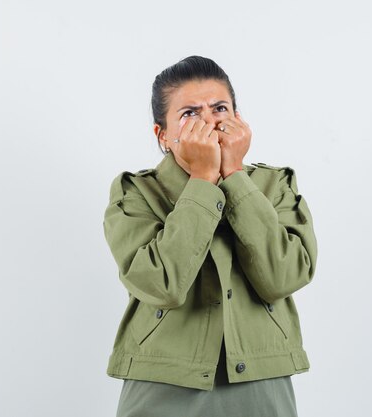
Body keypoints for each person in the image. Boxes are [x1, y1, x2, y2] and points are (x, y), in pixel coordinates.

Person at [102, 55, 318, 417]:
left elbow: (285, 276)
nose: (209, 121)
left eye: (219, 108)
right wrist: (203, 181)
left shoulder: (275, 185)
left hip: (261, 380)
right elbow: (161, 286)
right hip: (162, 382)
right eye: (189, 113)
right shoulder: (135, 193)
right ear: (162, 134)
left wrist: (234, 175)